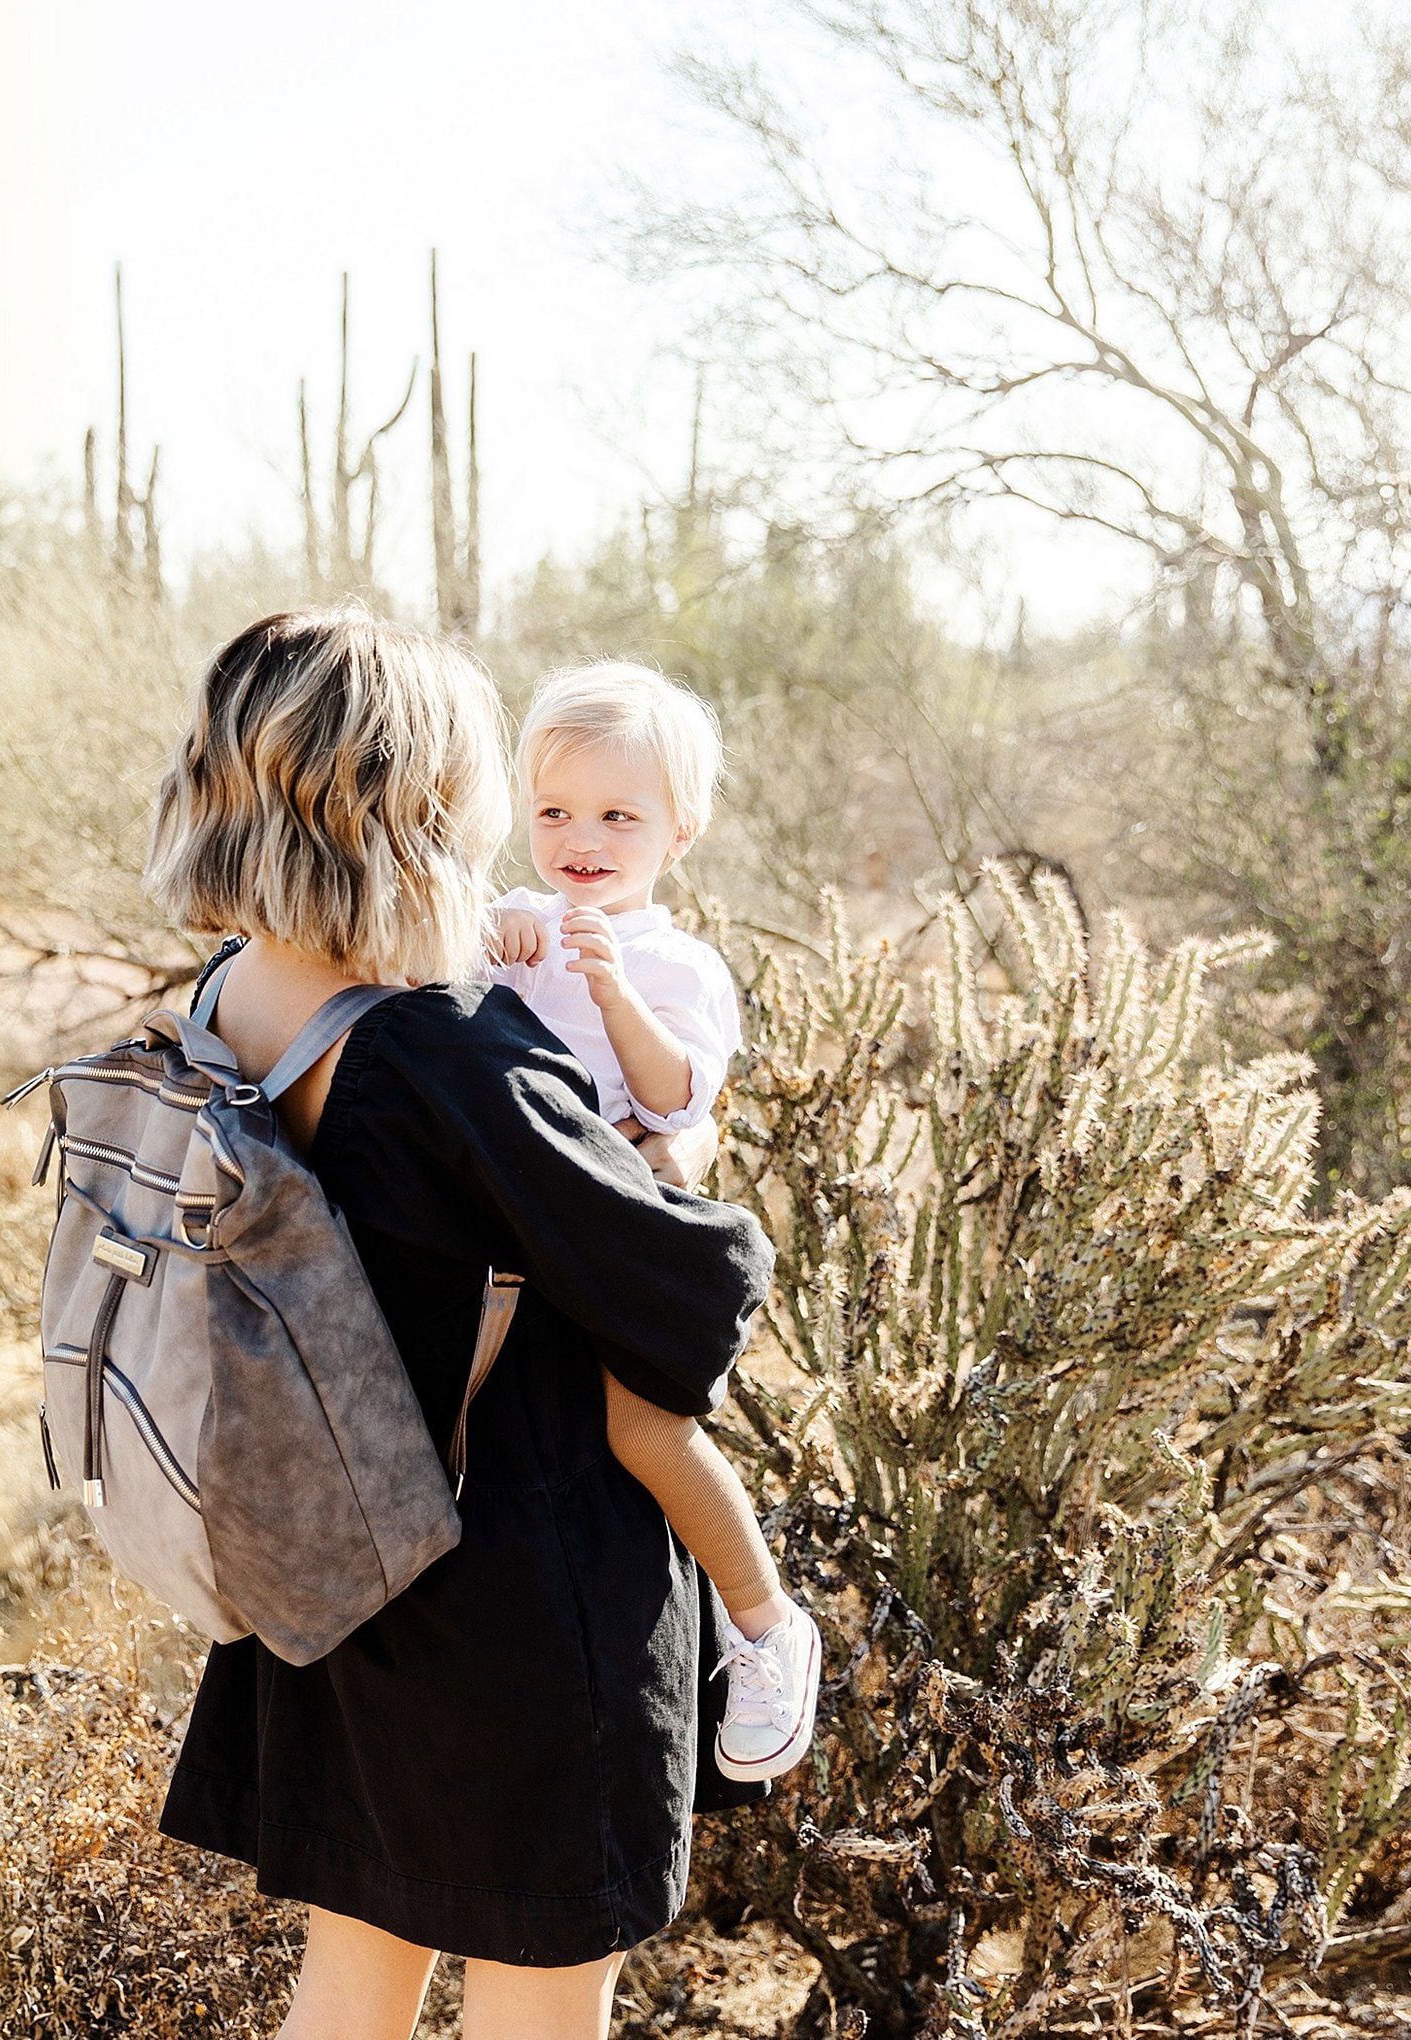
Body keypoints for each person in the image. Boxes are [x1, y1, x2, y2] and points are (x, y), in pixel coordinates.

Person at [146, 609, 777, 2040]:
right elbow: (691, 1287)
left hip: (334, 1567)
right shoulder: (443, 1042)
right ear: (419, 798)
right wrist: (691, 1152)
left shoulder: (233, 991)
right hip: (523, 1591)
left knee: (351, 1988)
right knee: (541, 2006)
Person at [486, 662, 820, 1783]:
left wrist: (615, 990)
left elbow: (679, 1102)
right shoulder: (515, 925)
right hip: (520, 1249)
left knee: (645, 1431)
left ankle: (764, 1624)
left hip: (623, 1239)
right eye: (554, 812)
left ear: (681, 833)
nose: (581, 838)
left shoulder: (678, 963)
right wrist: (490, 941)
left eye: (618, 815)